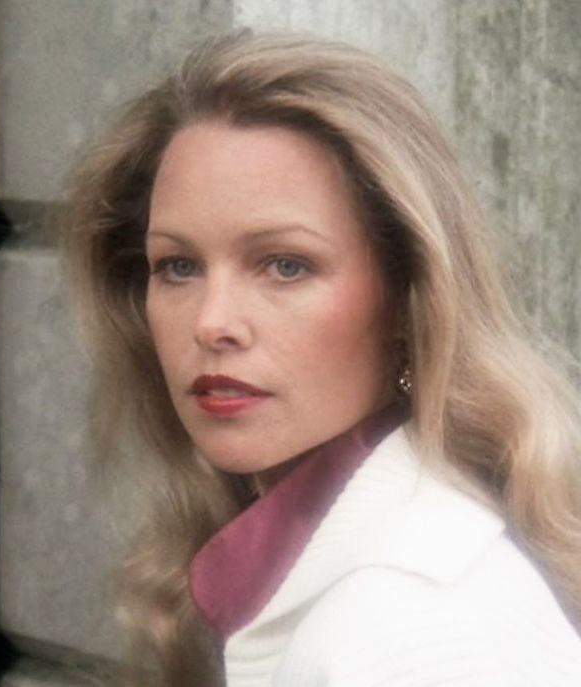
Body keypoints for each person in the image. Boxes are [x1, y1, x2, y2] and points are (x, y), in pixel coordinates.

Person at [62, 32, 581, 687]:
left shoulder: (409, 621)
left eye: (285, 265)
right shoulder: (343, 574)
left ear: (407, 298)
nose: (212, 322)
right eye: (178, 266)